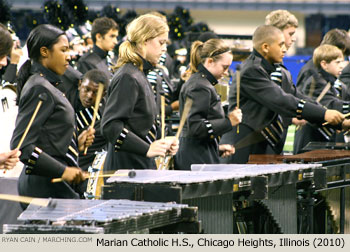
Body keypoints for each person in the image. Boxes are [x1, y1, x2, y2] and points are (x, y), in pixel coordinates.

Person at [228, 25, 344, 164]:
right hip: (246, 146)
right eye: (280, 44)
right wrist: (324, 115)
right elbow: (282, 101)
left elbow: (298, 97)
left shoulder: (277, 69)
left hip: (266, 146)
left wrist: (333, 118)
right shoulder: (251, 70)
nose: (285, 48)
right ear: (265, 47)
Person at [10, 24, 94, 206]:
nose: (69, 56)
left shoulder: (48, 85)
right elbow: (22, 146)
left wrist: (74, 144)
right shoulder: (40, 88)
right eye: (63, 50)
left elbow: (48, 139)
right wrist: (63, 170)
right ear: (45, 52)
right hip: (44, 186)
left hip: (51, 184)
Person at [101, 14, 178, 170]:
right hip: (125, 169)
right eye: (161, 42)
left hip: (138, 165)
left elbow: (139, 127)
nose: (164, 49)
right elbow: (110, 126)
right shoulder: (128, 76)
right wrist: (147, 148)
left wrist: (160, 145)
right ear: (145, 41)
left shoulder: (138, 74)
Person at [174, 38, 242, 170]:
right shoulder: (200, 86)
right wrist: (229, 122)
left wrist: (216, 148)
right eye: (225, 67)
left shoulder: (201, 83)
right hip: (194, 159)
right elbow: (196, 127)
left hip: (198, 154)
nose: (226, 72)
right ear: (210, 61)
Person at [294, 44, 350, 153]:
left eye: (342, 62)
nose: (342, 66)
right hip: (310, 139)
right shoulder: (315, 81)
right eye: (337, 62)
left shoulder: (336, 84)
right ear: (324, 64)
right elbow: (332, 105)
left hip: (325, 138)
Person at [72, 69, 109, 194]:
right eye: (86, 89)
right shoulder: (66, 107)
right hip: (72, 171)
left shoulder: (105, 111)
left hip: (95, 171)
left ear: (103, 94)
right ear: (79, 85)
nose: (89, 96)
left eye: (95, 92)